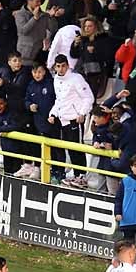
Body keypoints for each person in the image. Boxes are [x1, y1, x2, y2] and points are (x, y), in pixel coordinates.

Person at [48, 54, 94, 185]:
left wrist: (82, 113)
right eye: (58, 66)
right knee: (68, 148)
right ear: (55, 67)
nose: (61, 69)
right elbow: (59, 100)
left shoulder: (76, 78)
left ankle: (82, 176)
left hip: (75, 119)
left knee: (76, 148)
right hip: (63, 120)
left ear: (67, 65)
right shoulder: (56, 80)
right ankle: (75, 174)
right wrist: (53, 113)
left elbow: (88, 97)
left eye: (63, 66)